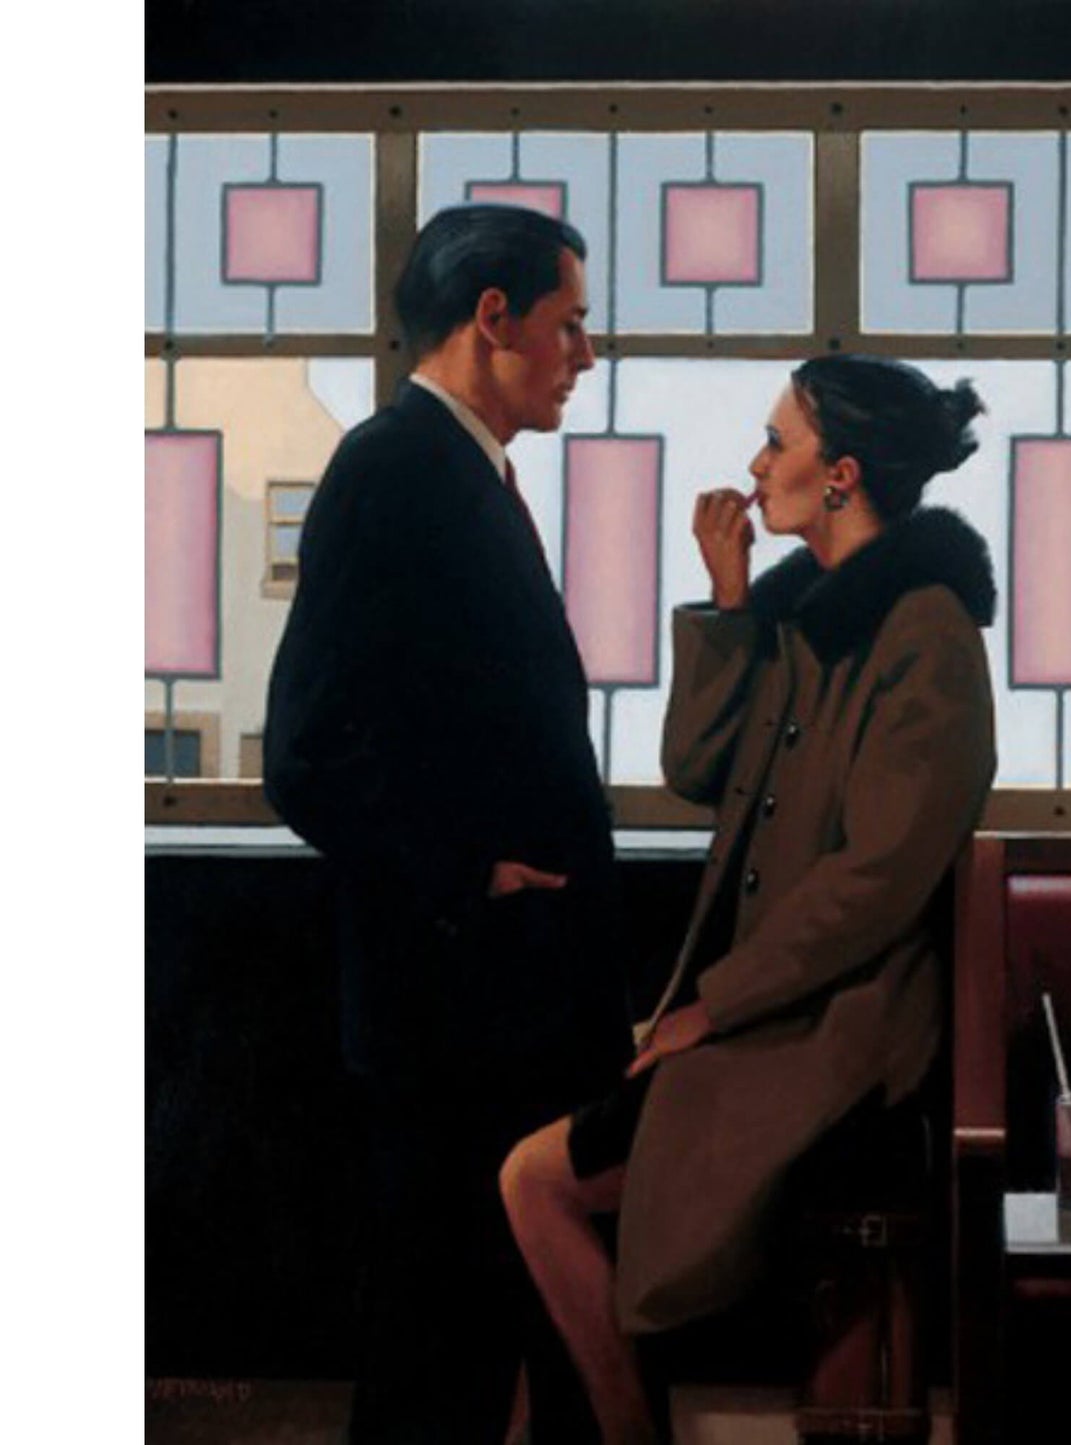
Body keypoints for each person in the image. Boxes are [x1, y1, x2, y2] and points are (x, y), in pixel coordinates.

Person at [500, 354, 999, 1445]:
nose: (756, 465)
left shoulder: (924, 633)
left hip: (837, 1032)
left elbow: (873, 881)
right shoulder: (800, 618)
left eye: (778, 443)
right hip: (766, 1015)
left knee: (536, 1178)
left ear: (841, 475)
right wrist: (729, 601)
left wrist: (711, 1007)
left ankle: (626, 1433)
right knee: (537, 1170)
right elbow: (693, 766)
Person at [263, 203, 633, 1445]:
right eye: (568, 324)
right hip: (453, 1007)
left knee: (489, 1342)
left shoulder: (457, 467)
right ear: (492, 318)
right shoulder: (394, 466)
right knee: (438, 1350)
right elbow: (304, 750)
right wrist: (469, 871)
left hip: (504, 1001)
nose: (585, 354)